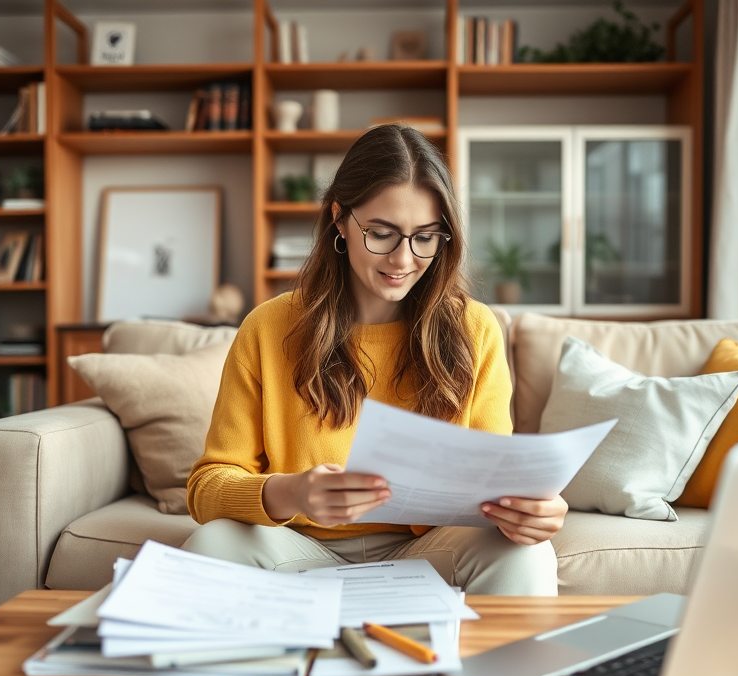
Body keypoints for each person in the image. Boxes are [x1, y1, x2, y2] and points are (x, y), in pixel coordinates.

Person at [184, 124, 566, 595]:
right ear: (340, 219)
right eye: (382, 234)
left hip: (428, 552)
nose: (404, 259)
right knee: (210, 543)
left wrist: (529, 511)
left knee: (525, 555)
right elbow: (207, 487)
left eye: (426, 237)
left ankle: (491, 669)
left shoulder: (475, 328)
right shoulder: (267, 327)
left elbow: (493, 481)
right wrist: (294, 491)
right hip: (297, 549)